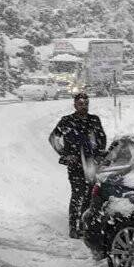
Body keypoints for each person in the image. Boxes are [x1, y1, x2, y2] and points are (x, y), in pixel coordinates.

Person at [49, 93, 106, 238]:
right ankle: (73, 227)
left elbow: (102, 138)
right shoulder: (67, 121)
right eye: (80, 104)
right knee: (77, 194)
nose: (84, 106)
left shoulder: (94, 120)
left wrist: (99, 154)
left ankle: (84, 225)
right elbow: (53, 138)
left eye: (86, 103)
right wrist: (64, 154)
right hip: (74, 164)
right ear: (75, 105)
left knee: (89, 195)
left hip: (90, 163)